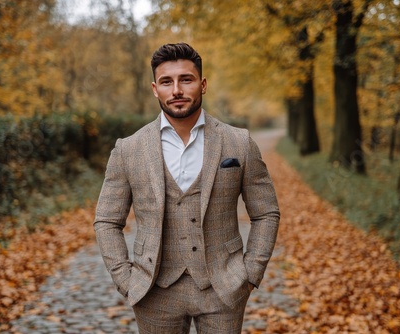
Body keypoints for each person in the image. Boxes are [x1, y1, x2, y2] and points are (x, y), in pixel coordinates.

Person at [94, 42, 280, 333]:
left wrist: (250, 272)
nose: (176, 90)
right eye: (167, 82)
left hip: (224, 287)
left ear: (202, 85)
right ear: (155, 89)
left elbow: (266, 212)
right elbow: (106, 220)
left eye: (186, 79)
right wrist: (125, 279)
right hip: (154, 291)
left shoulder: (239, 142)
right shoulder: (128, 150)